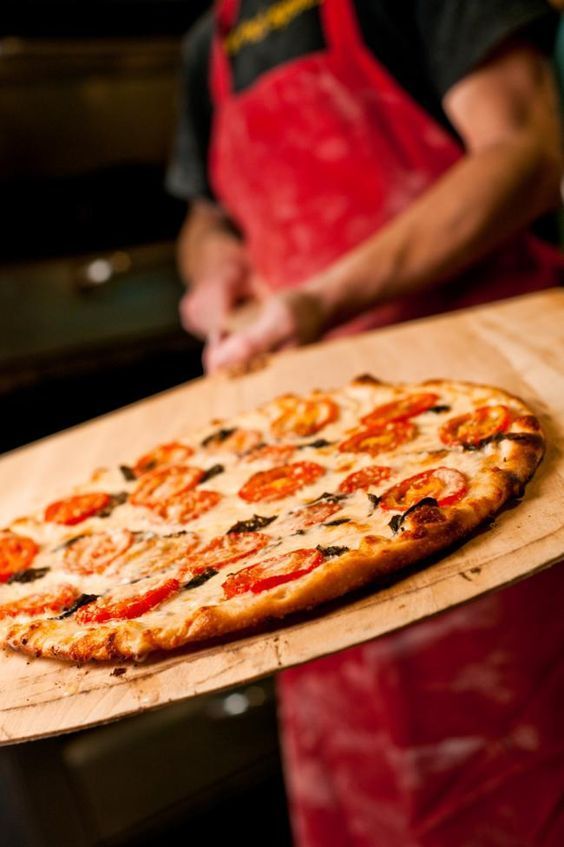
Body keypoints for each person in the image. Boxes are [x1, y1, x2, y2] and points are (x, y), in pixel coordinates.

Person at [167, 2, 564, 844]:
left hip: (487, 409)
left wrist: (321, 296)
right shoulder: (211, 39)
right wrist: (216, 273)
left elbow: (526, 149)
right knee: (361, 764)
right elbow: (205, 219)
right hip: (308, 460)